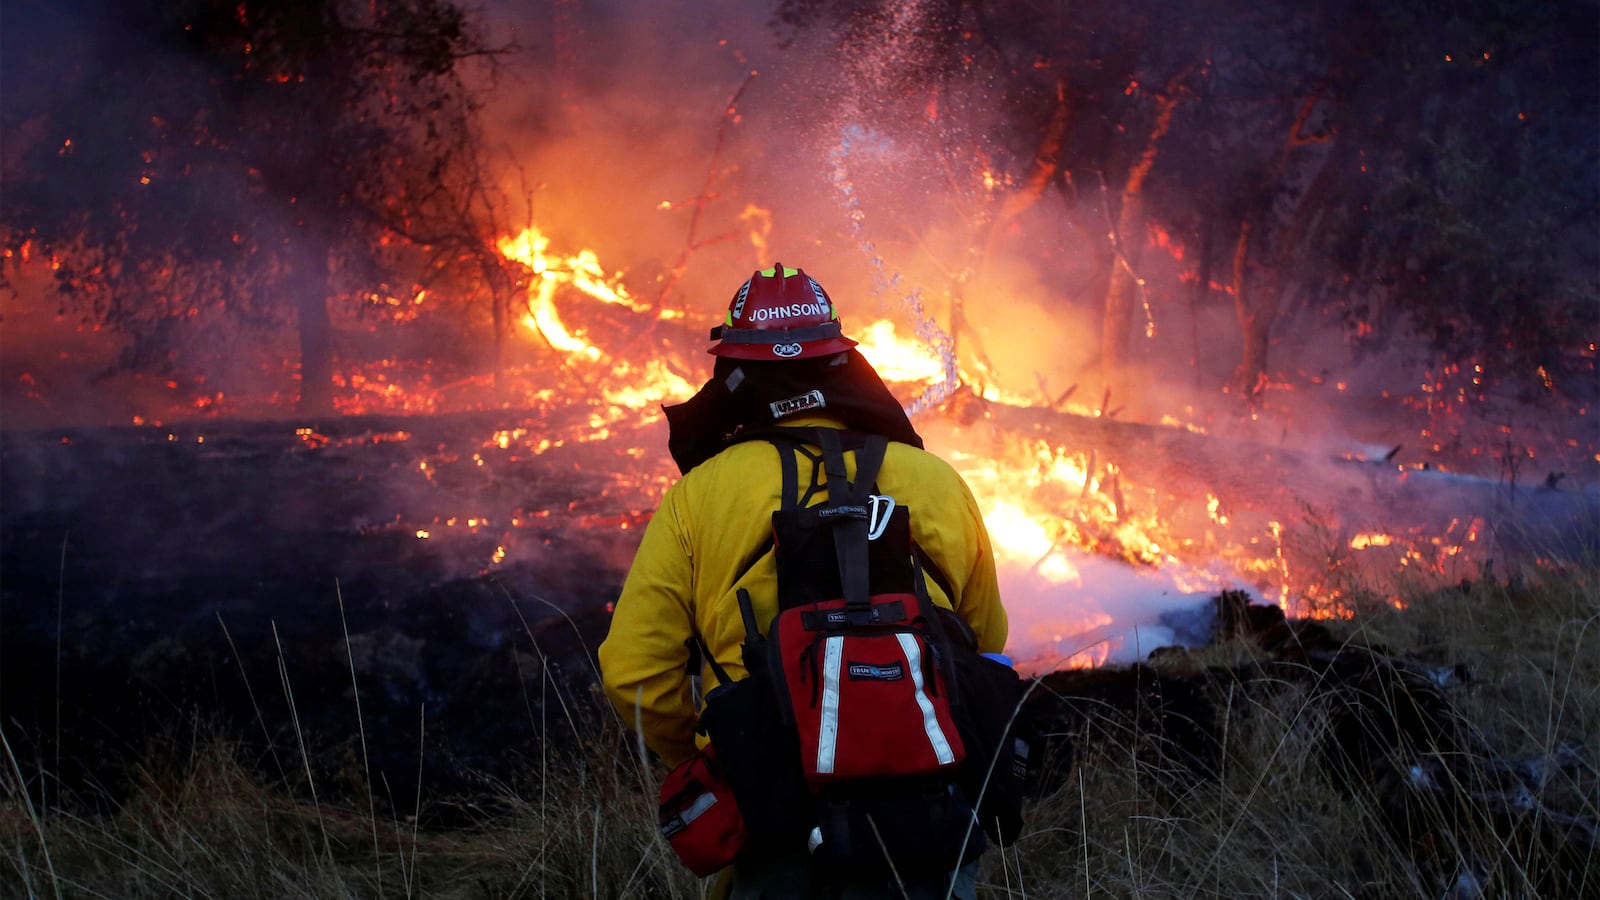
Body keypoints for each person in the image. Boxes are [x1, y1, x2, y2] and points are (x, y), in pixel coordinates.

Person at [598, 263, 1009, 898]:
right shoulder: (937, 482)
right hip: (935, 818)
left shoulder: (698, 498)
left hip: (774, 816)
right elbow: (985, 639)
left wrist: (715, 751)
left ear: (733, 374)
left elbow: (633, 675)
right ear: (842, 364)